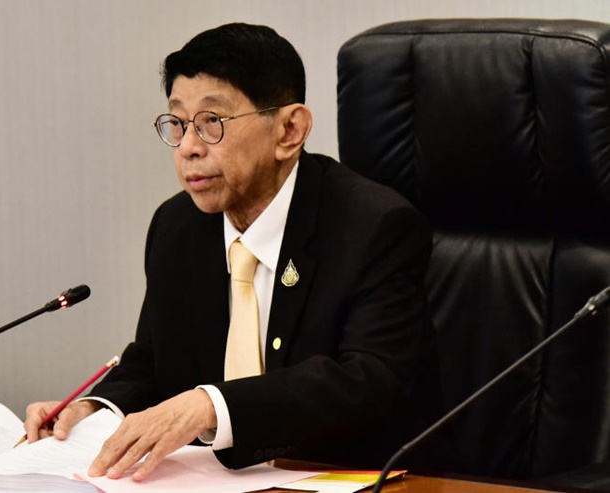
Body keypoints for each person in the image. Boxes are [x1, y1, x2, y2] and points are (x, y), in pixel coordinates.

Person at [24, 22, 442, 481]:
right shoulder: (177, 227)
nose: (188, 148)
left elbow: (368, 383)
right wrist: (93, 410)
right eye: (178, 124)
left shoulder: (373, 227)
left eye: (212, 123)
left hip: (342, 480)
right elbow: (153, 362)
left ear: (289, 130)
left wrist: (211, 406)